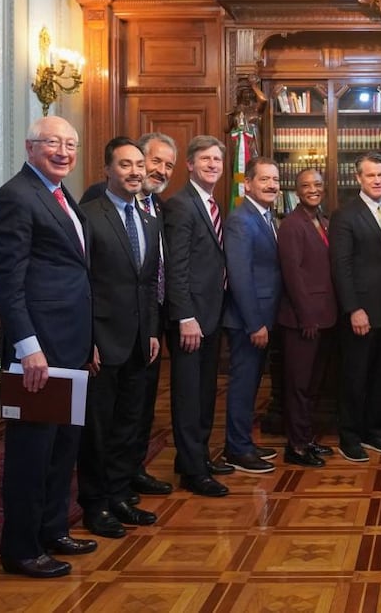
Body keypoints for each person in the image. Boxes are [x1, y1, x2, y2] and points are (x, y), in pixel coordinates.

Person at [0, 116, 95, 578]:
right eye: (53, 142)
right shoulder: (15, 197)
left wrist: (88, 341)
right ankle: (21, 549)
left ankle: (52, 529)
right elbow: (7, 283)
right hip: (39, 351)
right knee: (32, 451)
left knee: (62, 447)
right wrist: (28, 347)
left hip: (70, 344)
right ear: (31, 147)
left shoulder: (60, 195)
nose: (64, 151)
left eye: (70, 143)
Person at [81, 132, 178, 498]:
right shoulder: (90, 211)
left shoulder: (151, 215)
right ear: (108, 169)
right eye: (129, 164)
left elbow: (149, 280)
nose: (140, 172)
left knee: (132, 418)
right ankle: (98, 500)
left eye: (142, 165)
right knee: (100, 425)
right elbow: (85, 280)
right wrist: (87, 338)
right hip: (103, 338)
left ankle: (122, 490)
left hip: (143, 334)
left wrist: (151, 330)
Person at [164, 135, 231, 497]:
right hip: (191, 320)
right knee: (189, 396)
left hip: (212, 314)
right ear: (189, 164)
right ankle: (192, 471)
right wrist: (185, 317)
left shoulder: (209, 203)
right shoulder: (181, 204)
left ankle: (197, 456)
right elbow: (176, 268)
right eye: (205, 159)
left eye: (217, 160)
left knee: (206, 392)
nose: (212, 165)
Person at [331, 152, 381, 463]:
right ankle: (350, 437)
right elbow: (341, 267)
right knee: (354, 377)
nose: (377, 180)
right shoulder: (346, 216)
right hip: (360, 313)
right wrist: (353, 309)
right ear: (358, 178)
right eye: (370, 175)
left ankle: (375, 431)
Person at [222, 157, 284, 474]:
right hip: (249, 321)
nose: (272, 185)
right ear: (248, 184)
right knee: (243, 385)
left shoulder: (264, 216)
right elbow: (239, 275)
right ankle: (237, 449)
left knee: (252, 385)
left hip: (262, 317)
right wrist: (254, 323)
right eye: (264, 180)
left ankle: (244, 440)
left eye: (275, 179)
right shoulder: (240, 219)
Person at [128, 132, 177, 497]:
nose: (160, 170)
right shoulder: (104, 201)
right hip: (119, 326)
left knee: (143, 405)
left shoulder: (156, 206)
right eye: (155, 161)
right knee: (119, 412)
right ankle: (114, 485)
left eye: (167, 165)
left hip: (151, 321)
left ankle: (134, 470)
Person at [278, 169, 338, 467]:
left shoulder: (323, 222)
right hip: (303, 321)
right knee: (299, 386)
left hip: (325, 317)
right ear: (296, 192)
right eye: (306, 186)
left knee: (314, 385)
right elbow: (293, 275)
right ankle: (297, 446)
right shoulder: (291, 225)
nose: (313, 189)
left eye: (317, 184)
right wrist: (306, 316)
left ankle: (307, 438)